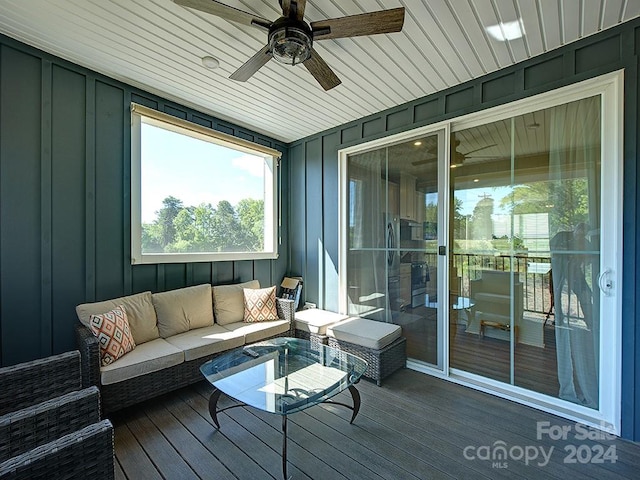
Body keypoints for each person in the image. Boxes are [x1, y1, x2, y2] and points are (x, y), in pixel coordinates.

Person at [549, 223, 598, 408]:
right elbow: (552, 247)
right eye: (580, 232)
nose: (581, 235)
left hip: (575, 275)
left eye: (583, 233)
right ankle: (560, 319)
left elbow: (591, 258)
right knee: (560, 298)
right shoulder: (563, 236)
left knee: (586, 296)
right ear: (576, 230)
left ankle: (592, 324)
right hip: (561, 273)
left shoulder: (583, 242)